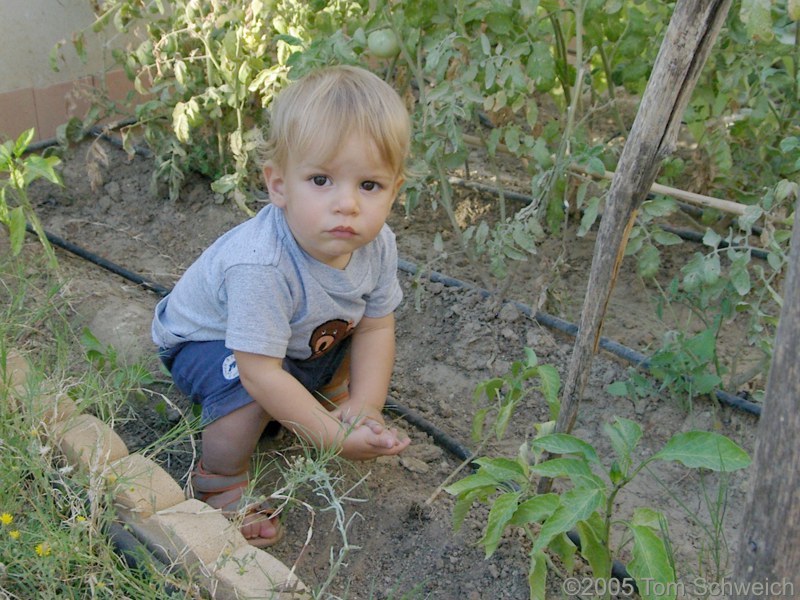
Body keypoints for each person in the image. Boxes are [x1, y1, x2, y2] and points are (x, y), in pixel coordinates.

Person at [151, 65, 412, 548]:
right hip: (208, 343)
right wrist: (329, 440)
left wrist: (367, 403)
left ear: (394, 190)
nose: (347, 205)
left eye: (369, 186)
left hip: (294, 336)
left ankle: (335, 406)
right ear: (278, 186)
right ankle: (220, 482)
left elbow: (376, 327)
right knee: (249, 396)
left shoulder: (379, 246)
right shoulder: (261, 265)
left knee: (346, 335)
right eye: (321, 180)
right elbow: (259, 372)